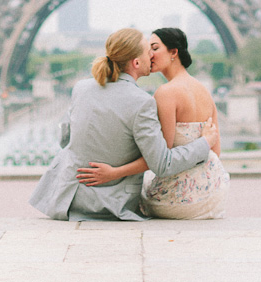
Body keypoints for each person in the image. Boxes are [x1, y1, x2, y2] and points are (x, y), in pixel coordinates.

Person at [29, 27, 217, 221]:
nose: (151, 56)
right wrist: (204, 142)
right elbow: (162, 164)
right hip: (109, 204)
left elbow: (65, 138)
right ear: (136, 63)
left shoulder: (81, 88)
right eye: (147, 52)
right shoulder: (142, 103)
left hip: (64, 197)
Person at [76, 27, 230, 219]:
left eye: (154, 48)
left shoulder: (165, 93)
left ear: (174, 52)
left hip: (177, 199)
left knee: (135, 191)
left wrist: (114, 173)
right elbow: (215, 152)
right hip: (213, 195)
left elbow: (159, 160)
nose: (150, 54)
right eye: (148, 49)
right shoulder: (204, 91)